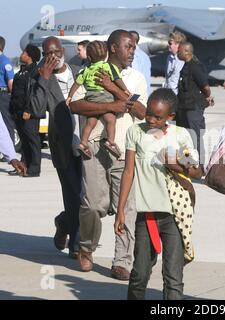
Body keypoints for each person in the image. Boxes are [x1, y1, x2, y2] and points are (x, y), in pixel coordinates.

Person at [69, 29, 147, 280]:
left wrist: (113, 89)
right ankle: (86, 248)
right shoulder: (92, 70)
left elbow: (141, 112)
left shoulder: (136, 78)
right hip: (94, 146)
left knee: (127, 207)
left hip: (124, 150)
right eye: (129, 46)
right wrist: (109, 106)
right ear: (113, 48)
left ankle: (122, 261)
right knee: (93, 205)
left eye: (134, 47)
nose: (133, 51)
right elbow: (75, 104)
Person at [115, 88, 202, 300]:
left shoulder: (180, 135)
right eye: (149, 114)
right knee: (140, 274)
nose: (151, 119)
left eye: (158, 116)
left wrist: (176, 165)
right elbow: (128, 171)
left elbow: (196, 170)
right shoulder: (135, 132)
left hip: (174, 216)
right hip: (147, 216)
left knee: (173, 277)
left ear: (170, 117)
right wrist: (121, 210)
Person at [30, 37, 82, 259]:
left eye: (55, 51)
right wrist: (44, 79)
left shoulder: (81, 71)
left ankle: (63, 221)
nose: (52, 56)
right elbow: (36, 109)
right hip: (64, 146)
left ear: (62, 50)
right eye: (47, 53)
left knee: (98, 200)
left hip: (88, 143)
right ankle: (77, 247)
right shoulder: (41, 76)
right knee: (74, 196)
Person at [67, 40, 129, 159]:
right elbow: (116, 79)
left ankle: (83, 143)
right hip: (105, 98)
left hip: (92, 99)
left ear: (89, 58)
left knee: (90, 123)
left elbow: (76, 84)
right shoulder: (108, 66)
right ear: (106, 55)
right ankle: (110, 142)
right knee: (111, 120)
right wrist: (125, 90)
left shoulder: (86, 70)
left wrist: (69, 96)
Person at [176, 42, 214, 164]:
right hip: (184, 107)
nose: (177, 52)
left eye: (179, 50)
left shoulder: (195, 67)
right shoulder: (185, 66)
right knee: (184, 137)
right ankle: (187, 161)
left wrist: (208, 97)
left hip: (193, 108)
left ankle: (200, 165)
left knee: (195, 137)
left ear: (187, 52)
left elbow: (205, 86)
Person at [9, 44, 42, 177]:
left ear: (29, 56)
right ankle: (24, 165)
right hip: (17, 111)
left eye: (23, 52)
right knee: (24, 140)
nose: (21, 54)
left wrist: (28, 110)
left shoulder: (35, 71)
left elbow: (33, 93)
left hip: (29, 112)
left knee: (33, 140)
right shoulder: (22, 71)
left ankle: (34, 168)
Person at [0, 36, 16, 145]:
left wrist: (13, 98)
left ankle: (10, 152)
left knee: (6, 122)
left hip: (3, 95)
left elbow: (10, 81)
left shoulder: (5, 61)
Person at [130, 31, 152, 97]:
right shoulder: (145, 56)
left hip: (136, 95)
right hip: (146, 93)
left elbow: (134, 77)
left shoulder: (133, 56)